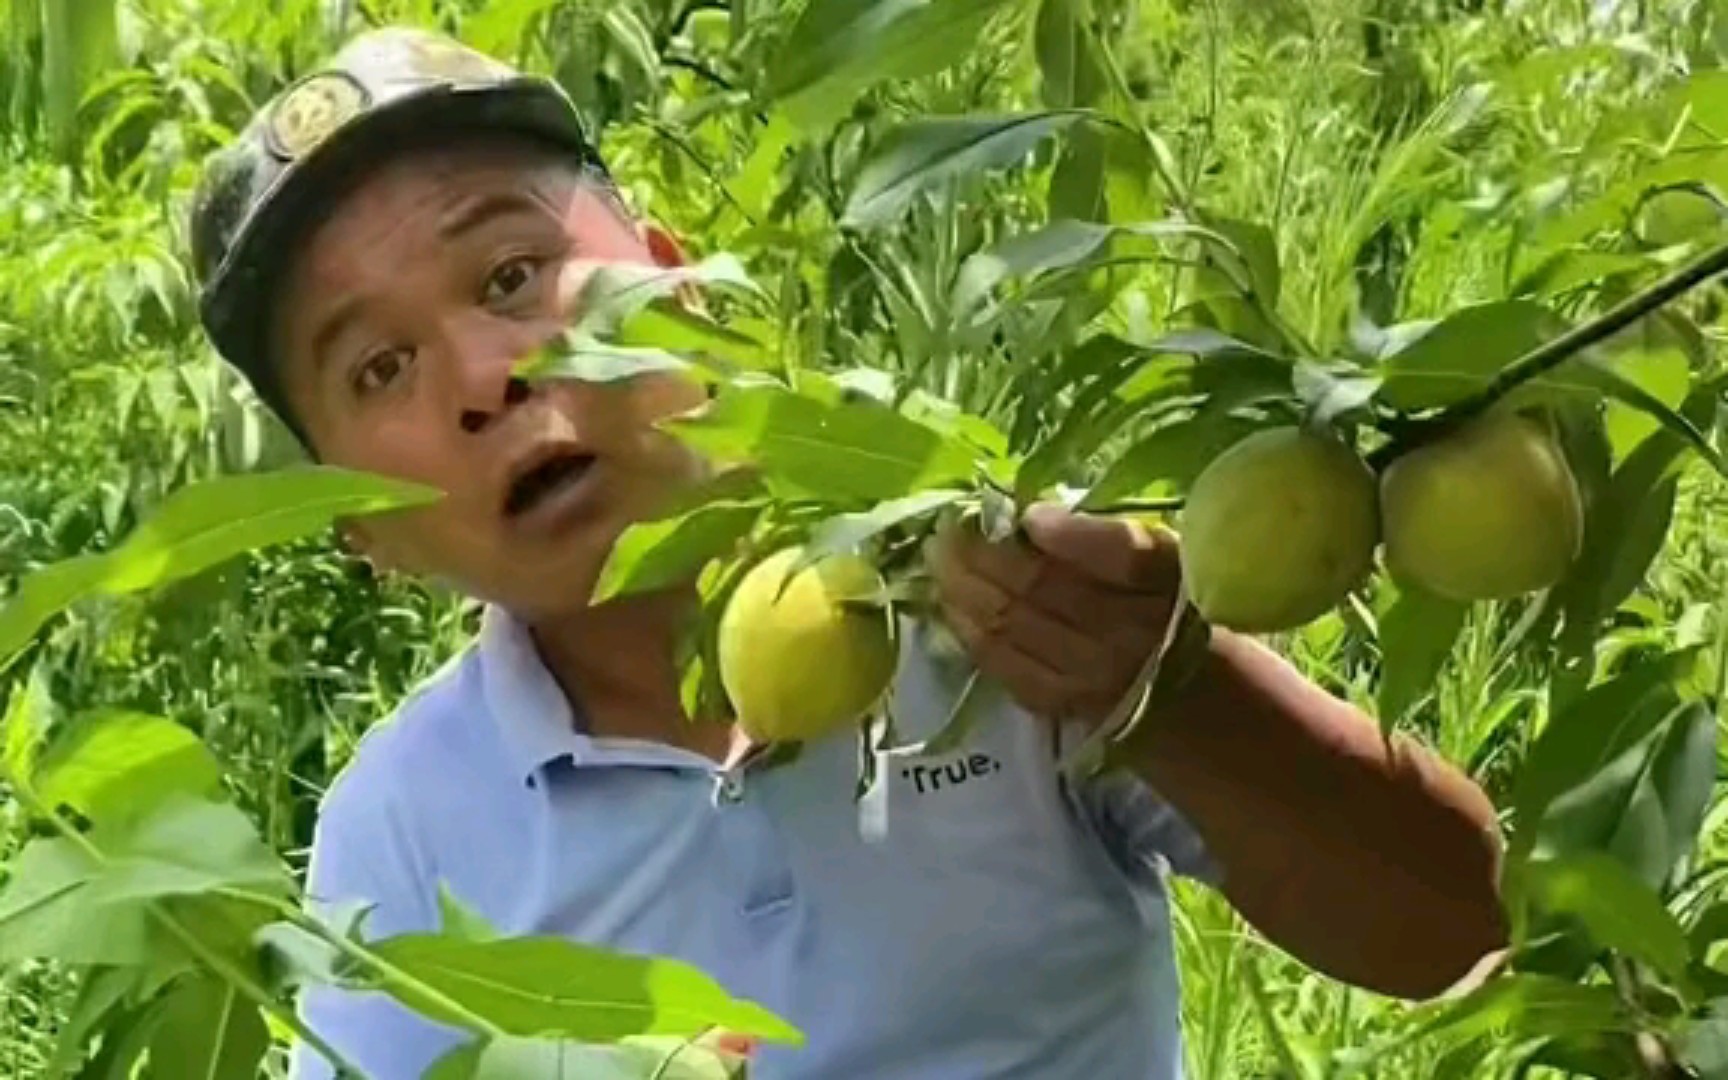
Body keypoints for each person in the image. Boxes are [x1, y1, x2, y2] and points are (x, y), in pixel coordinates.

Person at [187, 27, 1507, 1080]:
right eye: (380, 366)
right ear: (357, 527)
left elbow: (1462, 925)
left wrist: (1162, 686)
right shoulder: (406, 825)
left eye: (511, 275)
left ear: (676, 277)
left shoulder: (995, 584)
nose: (484, 375)